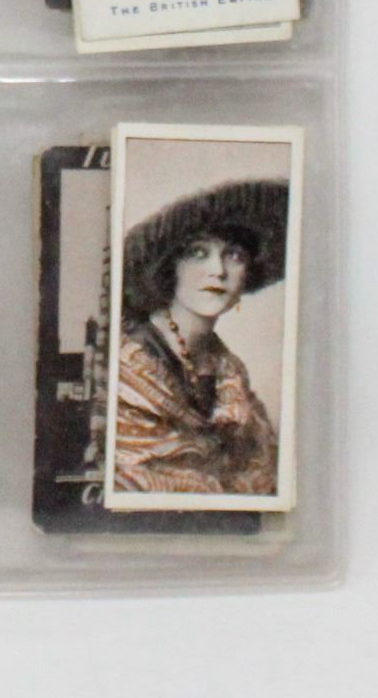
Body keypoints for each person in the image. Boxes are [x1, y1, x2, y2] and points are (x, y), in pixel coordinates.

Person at [113, 178, 288, 496]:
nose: (218, 271)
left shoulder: (230, 371)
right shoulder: (129, 364)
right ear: (171, 267)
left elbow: (262, 470)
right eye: (198, 253)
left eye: (234, 256)